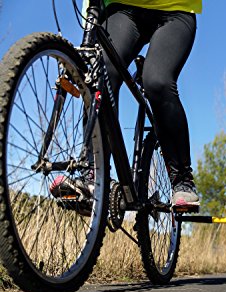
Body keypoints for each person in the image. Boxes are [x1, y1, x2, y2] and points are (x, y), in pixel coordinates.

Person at [51, 0, 202, 209]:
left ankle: (182, 179)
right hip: (123, 7)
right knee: (102, 75)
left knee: (156, 82)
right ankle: (94, 173)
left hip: (174, 9)